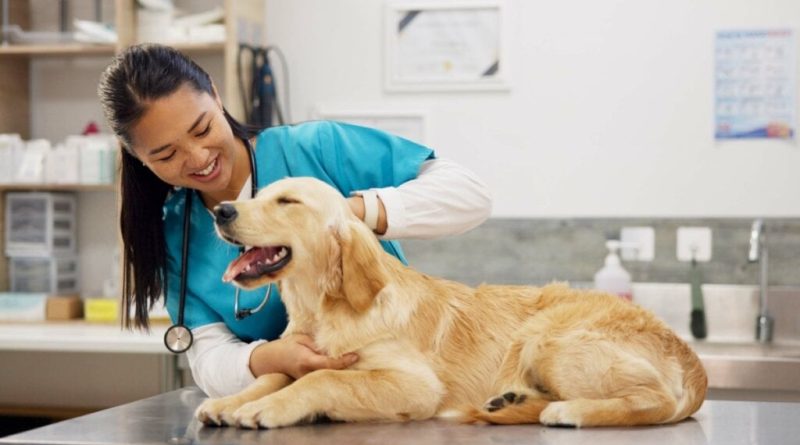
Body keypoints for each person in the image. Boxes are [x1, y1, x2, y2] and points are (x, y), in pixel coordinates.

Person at [98, 44, 491, 398]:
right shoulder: (175, 234)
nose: (198, 157)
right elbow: (207, 356)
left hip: (391, 392)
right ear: (139, 158)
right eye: (166, 155)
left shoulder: (313, 150)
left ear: (216, 97)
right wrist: (270, 358)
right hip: (286, 411)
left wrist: (343, 215)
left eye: (202, 129)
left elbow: (470, 195)